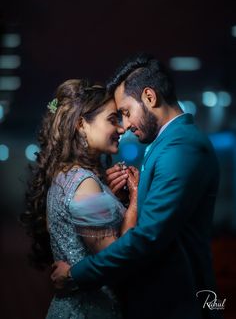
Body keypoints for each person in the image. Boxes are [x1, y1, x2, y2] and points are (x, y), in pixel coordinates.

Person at [51, 54, 222, 319]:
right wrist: (126, 197)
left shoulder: (181, 147)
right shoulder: (166, 144)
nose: (126, 125)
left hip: (179, 302)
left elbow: (147, 238)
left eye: (126, 112)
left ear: (150, 97)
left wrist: (76, 274)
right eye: (118, 116)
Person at [21, 78, 139, 319]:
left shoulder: (68, 175)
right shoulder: (85, 184)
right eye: (112, 119)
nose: (121, 129)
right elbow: (118, 261)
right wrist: (135, 202)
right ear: (81, 124)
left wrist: (115, 201)